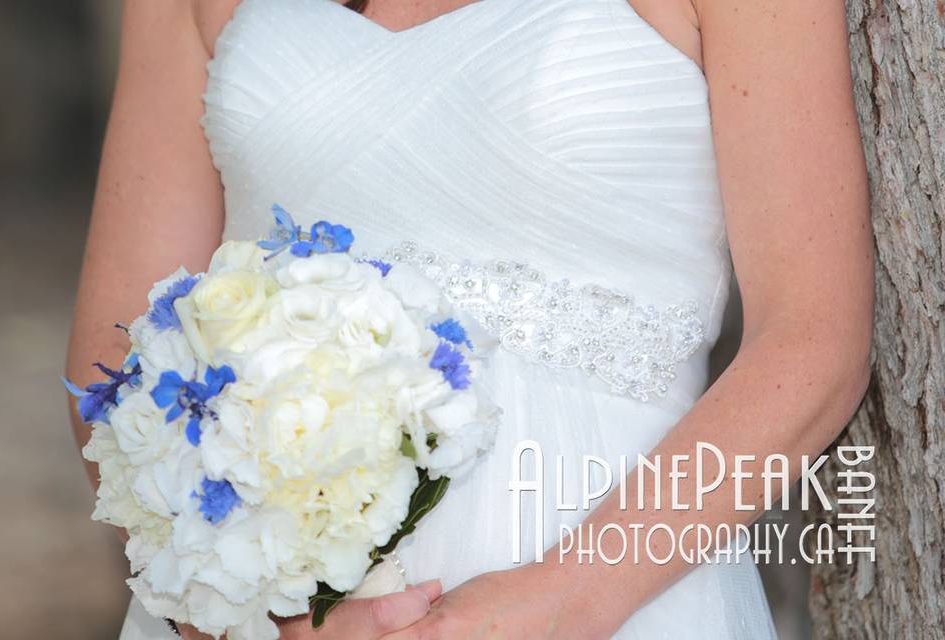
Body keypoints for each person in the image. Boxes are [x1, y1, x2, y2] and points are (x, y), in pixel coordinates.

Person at [66, 0, 873, 637]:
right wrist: (238, 616)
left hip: (620, 592)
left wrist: (570, 598)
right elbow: (116, 351)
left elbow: (813, 339)